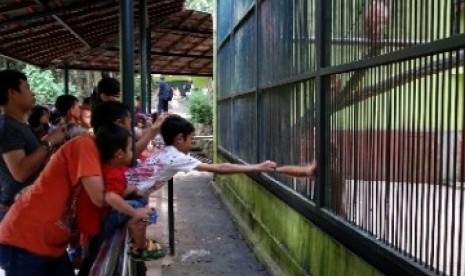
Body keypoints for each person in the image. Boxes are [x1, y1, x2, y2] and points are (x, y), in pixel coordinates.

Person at [0, 101, 165, 275]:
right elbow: (100, 198)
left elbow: (126, 156)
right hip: (26, 240)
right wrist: (132, 200)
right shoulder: (85, 145)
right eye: (128, 124)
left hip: (52, 244)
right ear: (118, 125)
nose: (131, 130)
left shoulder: (102, 155)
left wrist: (152, 132)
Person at [0, 69, 66, 221]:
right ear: (12, 93)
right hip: (16, 209)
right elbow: (20, 172)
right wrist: (49, 141)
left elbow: (34, 158)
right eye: (27, 88)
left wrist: (52, 146)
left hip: (28, 204)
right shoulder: (8, 127)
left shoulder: (19, 125)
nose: (33, 93)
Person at [95, 124, 163, 261]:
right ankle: (140, 246)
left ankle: (136, 237)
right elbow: (110, 196)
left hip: (115, 212)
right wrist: (134, 212)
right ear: (119, 154)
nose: (133, 152)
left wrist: (150, 187)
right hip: (108, 217)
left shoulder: (120, 168)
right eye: (130, 149)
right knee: (143, 211)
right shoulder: (112, 173)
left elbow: (132, 189)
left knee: (146, 209)